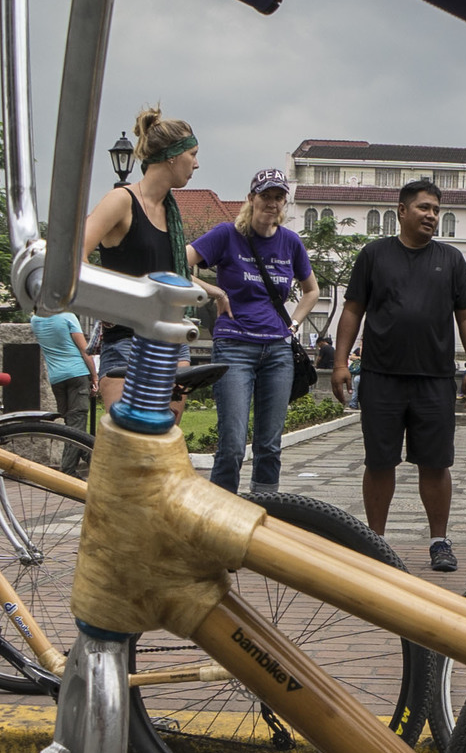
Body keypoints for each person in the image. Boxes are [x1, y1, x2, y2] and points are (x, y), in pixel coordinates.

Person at [331, 178, 466, 571]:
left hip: (434, 378)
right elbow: (352, 310)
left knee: (436, 463)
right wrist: (341, 362)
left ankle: (438, 542)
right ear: (401, 211)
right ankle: (374, 542)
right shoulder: (374, 255)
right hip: (382, 376)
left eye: (436, 209)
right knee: (379, 462)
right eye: (423, 208)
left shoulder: (450, 260)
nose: (431, 215)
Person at [80, 106, 226, 411]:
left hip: (171, 338)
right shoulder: (122, 201)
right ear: (172, 156)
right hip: (126, 340)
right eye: (193, 154)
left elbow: (167, 272)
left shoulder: (169, 211)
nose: (196, 164)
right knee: (127, 442)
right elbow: (75, 256)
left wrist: (215, 291)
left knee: (165, 437)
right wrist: (103, 303)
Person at [188, 168, 316, 495]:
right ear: (251, 199)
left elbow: (311, 290)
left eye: (278, 198)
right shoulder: (226, 235)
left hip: (277, 351)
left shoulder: (290, 243)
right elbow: (177, 262)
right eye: (266, 196)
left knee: (269, 446)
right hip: (234, 347)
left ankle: (265, 517)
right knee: (231, 445)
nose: (272, 204)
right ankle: (221, 517)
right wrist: (214, 291)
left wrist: (295, 323)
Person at [33, 301, 94, 428]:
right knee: (77, 420)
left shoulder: (35, 320)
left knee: (68, 422)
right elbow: (85, 350)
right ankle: (75, 448)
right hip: (77, 374)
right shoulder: (67, 316)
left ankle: (72, 446)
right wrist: (95, 376)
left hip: (56, 378)